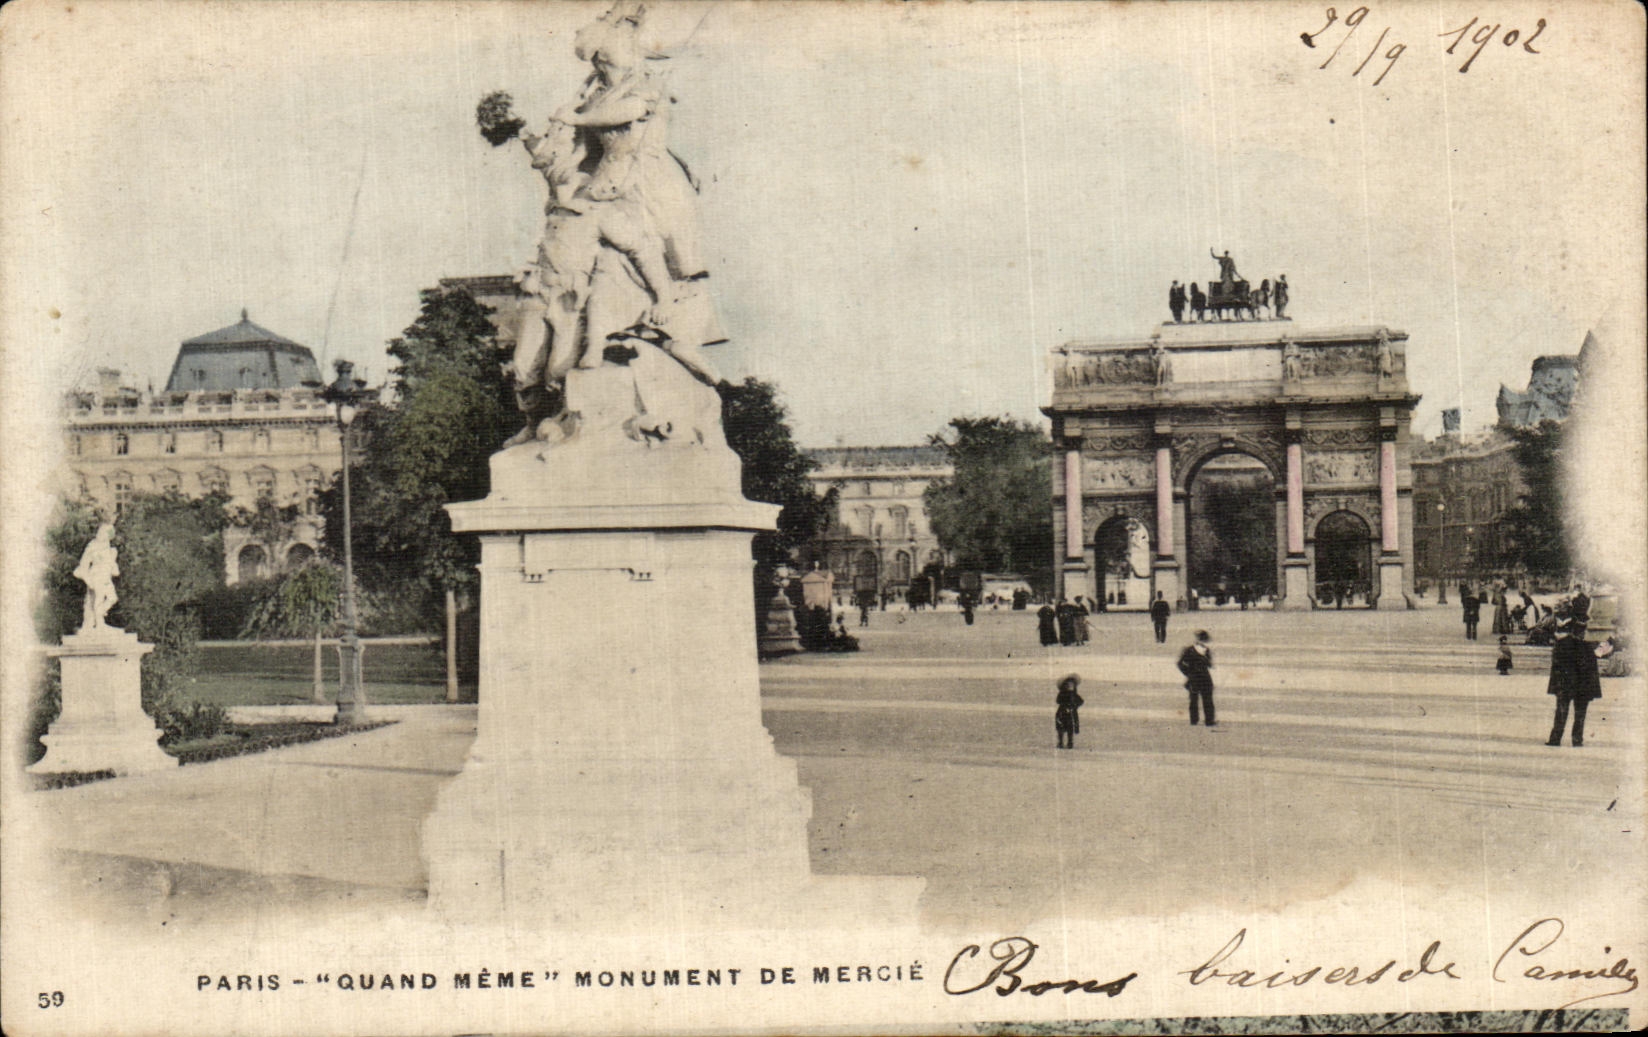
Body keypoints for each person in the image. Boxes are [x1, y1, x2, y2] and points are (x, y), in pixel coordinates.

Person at [1546, 611, 1601, 747]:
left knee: (1561, 712)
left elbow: (1556, 667)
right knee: (1580, 714)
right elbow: (1593, 671)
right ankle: (1577, 740)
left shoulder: (1563, 644)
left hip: (1565, 686)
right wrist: (1592, 690)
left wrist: (1556, 686)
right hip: (1582, 687)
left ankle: (1555, 739)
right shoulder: (1589, 647)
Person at [1177, 630, 1215, 726]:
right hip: (1195, 677)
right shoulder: (1189, 650)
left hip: (1204, 678)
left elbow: (1209, 664)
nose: (1204, 642)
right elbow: (1180, 663)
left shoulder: (1206, 650)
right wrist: (1188, 673)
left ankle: (1208, 720)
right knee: (1194, 699)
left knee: (1207, 699)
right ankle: (1195, 720)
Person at [1055, 674, 1084, 750]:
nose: (1070, 686)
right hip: (1062, 712)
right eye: (1069, 684)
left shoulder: (1074, 694)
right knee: (1061, 727)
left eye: (1072, 684)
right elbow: (1058, 700)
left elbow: (1081, 701)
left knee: (1070, 728)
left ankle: (1070, 742)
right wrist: (1066, 705)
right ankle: (1061, 742)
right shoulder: (1062, 693)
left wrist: (1074, 706)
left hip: (1071, 713)